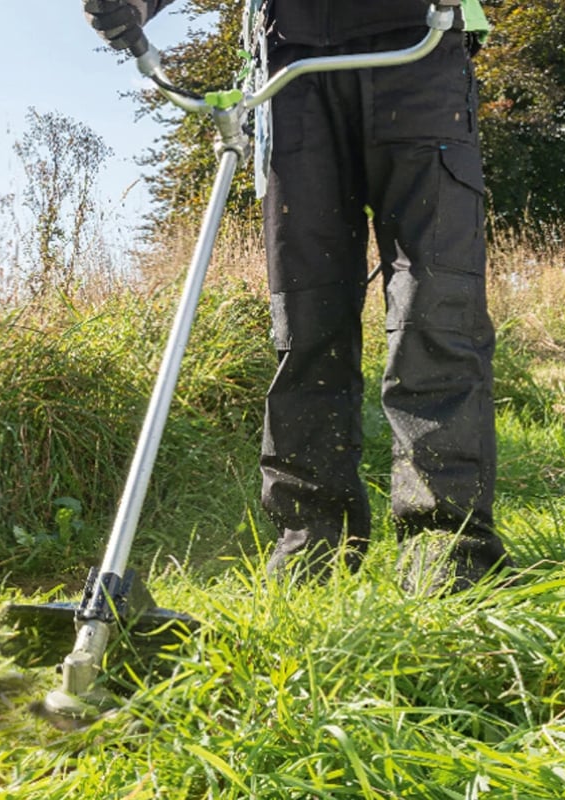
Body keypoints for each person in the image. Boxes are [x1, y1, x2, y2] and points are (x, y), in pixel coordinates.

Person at [82, 0, 514, 593]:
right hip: (293, 63)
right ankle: (313, 541)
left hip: (419, 46)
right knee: (306, 318)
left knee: (435, 308)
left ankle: (447, 544)